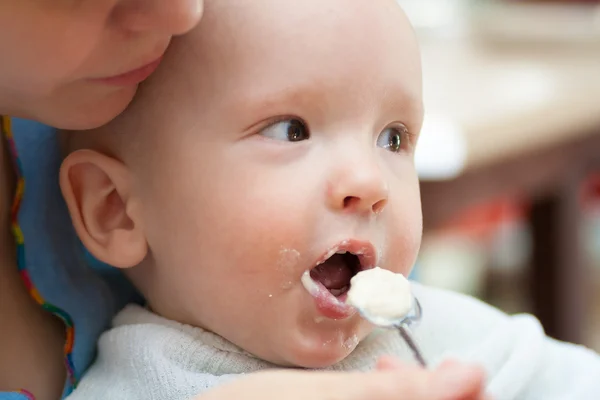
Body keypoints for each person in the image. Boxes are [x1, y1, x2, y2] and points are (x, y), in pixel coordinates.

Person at [58, 0, 600, 399]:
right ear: (117, 210)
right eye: (291, 130)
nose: (369, 180)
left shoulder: (448, 336)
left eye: (393, 137)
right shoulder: (140, 386)